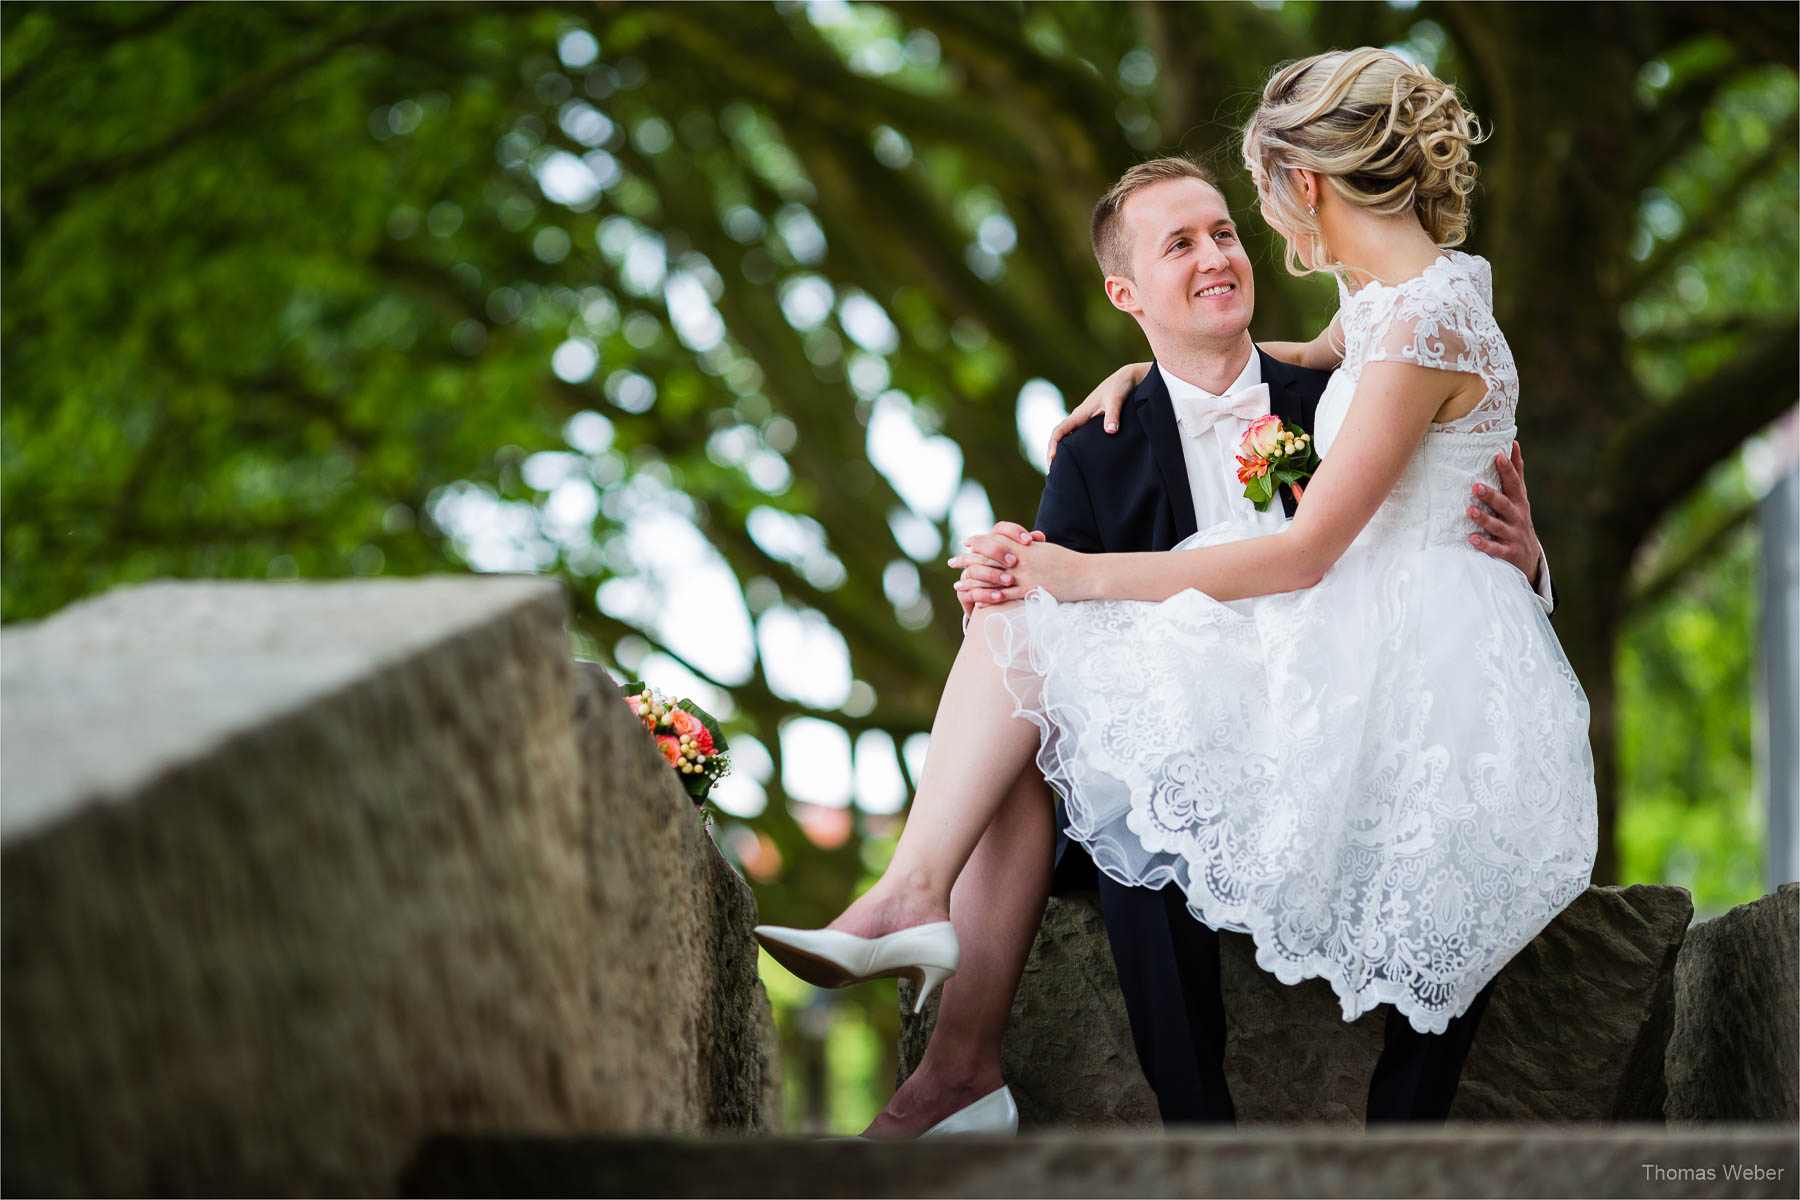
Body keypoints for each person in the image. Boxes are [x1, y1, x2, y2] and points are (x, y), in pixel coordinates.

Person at [756, 47, 1594, 1135]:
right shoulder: (1389, 304)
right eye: (1185, 240)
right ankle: (935, 969)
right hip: (1356, 640)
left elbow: (1308, 552)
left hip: (1402, 668)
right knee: (1051, 653)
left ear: (1307, 187)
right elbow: (1323, 351)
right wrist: (1145, 372)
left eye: (1240, 213)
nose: (1244, 240)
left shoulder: (1421, 318)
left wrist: (1075, 574)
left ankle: (922, 933)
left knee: (1056, 633)